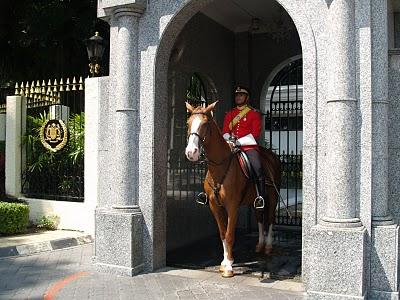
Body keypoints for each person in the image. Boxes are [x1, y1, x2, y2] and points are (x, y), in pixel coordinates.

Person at [222, 86, 265, 208]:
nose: (238, 97)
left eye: (241, 95)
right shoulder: (230, 114)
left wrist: (239, 142)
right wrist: (229, 140)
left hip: (248, 147)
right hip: (231, 145)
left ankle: (260, 197)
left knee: (258, 169)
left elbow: (255, 134)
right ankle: (207, 192)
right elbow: (225, 130)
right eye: (237, 95)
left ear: (246, 97)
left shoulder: (253, 114)